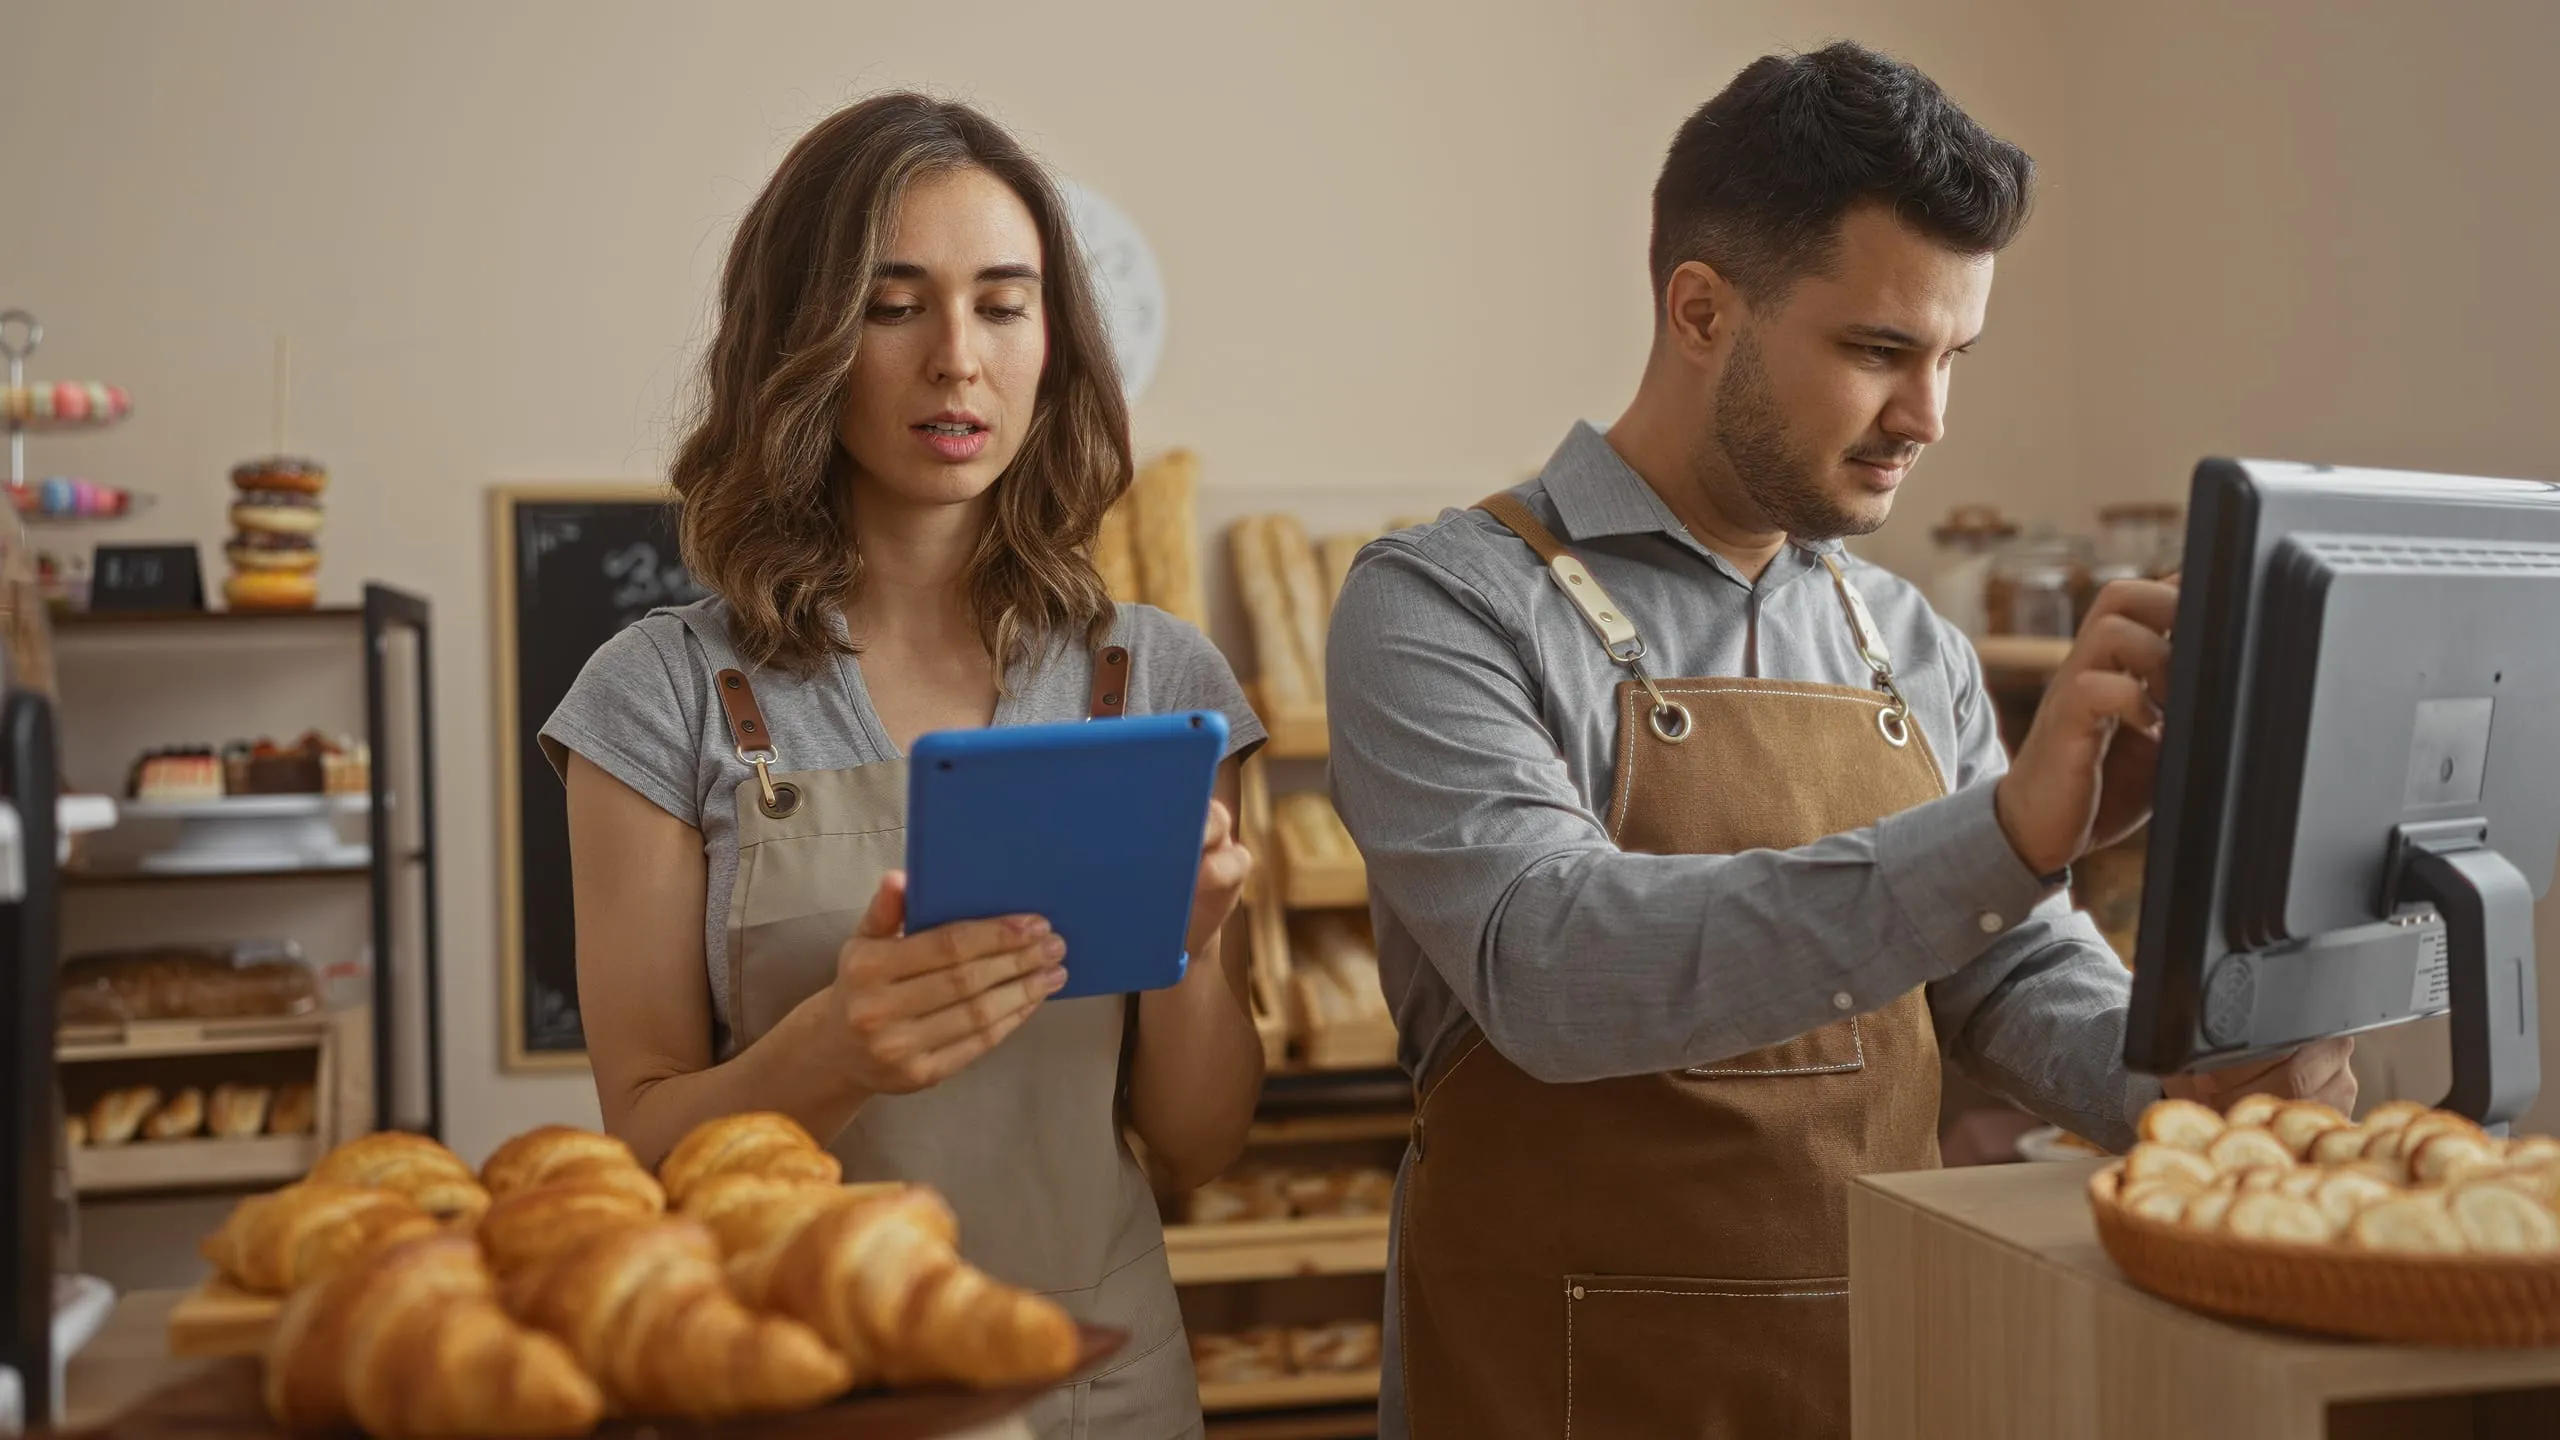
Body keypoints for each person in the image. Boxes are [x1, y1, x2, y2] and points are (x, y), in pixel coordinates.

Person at [1324, 42, 2357, 1440]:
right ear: (1700, 310)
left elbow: (1999, 972)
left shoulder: (1900, 636)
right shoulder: (1444, 602)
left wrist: (2183, 1075)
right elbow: (1555, 966)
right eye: (1879, 350)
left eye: (1952, 358)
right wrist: (1999, 838)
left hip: (1883, 1377)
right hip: (1551, 1393)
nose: (1926, 419)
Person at [540, 93, 1266, 1438]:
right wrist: (833, 1049)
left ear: (1053, 340)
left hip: (1098, 1380)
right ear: (801, 343)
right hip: (794, 1385)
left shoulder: (1156, 685)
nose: (956, 360)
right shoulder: (660, 701)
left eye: (1004, 304)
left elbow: (1202, 1144)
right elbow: (641, 1148)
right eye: (893, 305)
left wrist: (1193, 954)